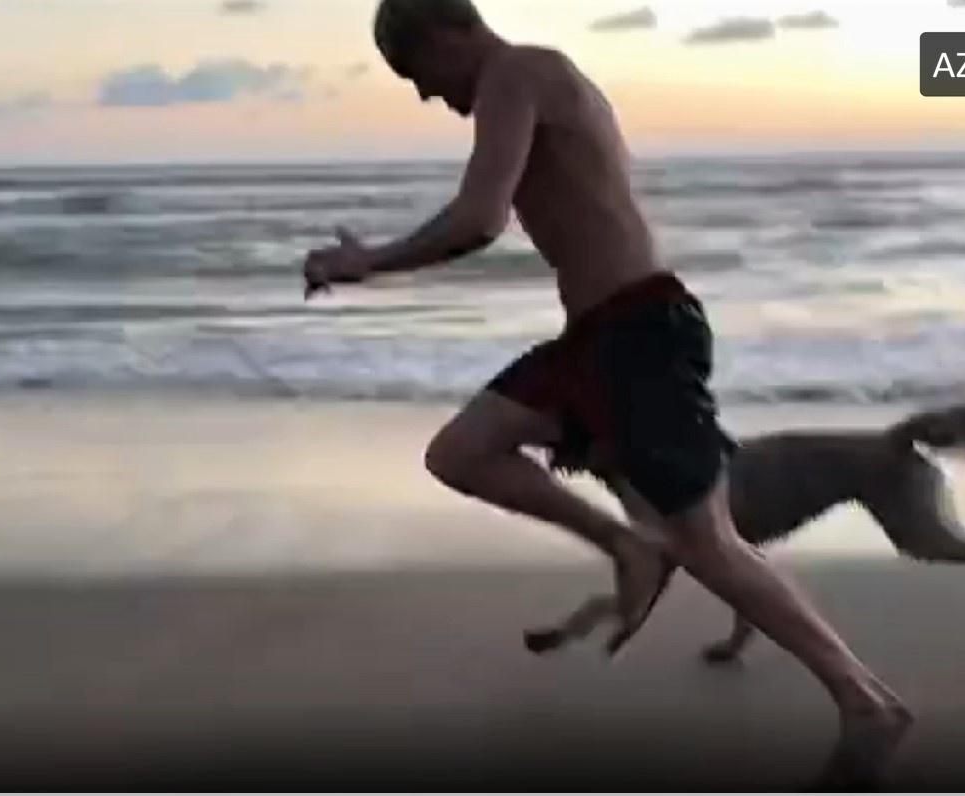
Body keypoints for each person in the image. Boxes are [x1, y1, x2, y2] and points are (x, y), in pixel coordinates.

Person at [302, 0, 912, 785]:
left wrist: (370, 263)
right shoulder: (540, 77)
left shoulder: (516, 73)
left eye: (415, 72)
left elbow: (480, 218)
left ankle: (865, 702)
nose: (425, 94)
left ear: (447, 32)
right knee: (461, 453)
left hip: (640, 334)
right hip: (597, 340)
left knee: (707, 544)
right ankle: (626, 544)